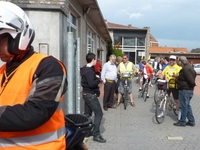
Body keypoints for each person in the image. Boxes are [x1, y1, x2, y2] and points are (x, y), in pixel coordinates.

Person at [0, 2, 67, 149]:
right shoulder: (3, 71)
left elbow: (35, 113)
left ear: (16, 37)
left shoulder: (48, 67)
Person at [80, 53, 106, 143]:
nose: (96, 61)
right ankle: (96, 135)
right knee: (99, 114)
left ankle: (85, 132)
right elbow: (91, 84)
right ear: (93, 60)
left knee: (87, 114)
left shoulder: (85, 69)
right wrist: (98, 79)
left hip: (86, 94)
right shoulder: (90, 71)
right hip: (90, 95)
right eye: (96, 60)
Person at [174, 56, 196, 127]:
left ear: (181, 62)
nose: (177, 62)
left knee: (183, 106)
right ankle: (191, 120)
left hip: (185, 90)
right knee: (187, 105)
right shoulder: (189, 67)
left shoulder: (185, 69)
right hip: (188, 89)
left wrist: (192, 85)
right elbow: (194, 75)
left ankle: (182, 121)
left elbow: (190, 80)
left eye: (178, 61)